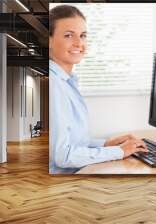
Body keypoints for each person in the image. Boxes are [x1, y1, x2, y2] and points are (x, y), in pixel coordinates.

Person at [49, 5, 147, 174]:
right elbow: (63, 155)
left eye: (83, 36)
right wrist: (120, 151)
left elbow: (73, 143)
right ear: (48, 40)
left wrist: (107, 143)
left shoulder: (66, 81)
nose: (79, 43)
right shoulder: (54, 85)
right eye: (68, 35)